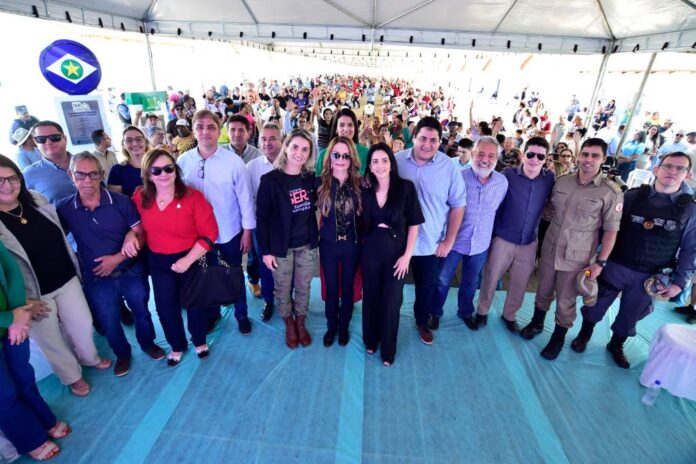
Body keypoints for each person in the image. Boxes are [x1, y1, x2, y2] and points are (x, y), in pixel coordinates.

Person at [572, 152, 696, 368]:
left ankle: (616, 345)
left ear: (688, 175)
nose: (673, 172)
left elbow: (690, 249)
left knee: (631, 315)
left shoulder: (690, 210)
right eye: (668, 166)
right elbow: (607, 229)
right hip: (616, 265)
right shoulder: (631, 196)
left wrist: (679, 282)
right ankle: (584, 335)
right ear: (656, 169)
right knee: (595, 304)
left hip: (651, 275)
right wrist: (597, 260)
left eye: (680, 168)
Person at [0, 155, 110, 395]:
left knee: (82, 325)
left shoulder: (37, 200)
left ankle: (89, 358)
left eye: (11, 178)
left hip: (66, 278)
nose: (7, 185)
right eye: (0, 180)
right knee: (51, 340)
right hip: (33, 294)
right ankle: (71, 377)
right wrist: (23, 302)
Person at [58, 152, 165, 377]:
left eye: (93, 174)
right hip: (97, 278)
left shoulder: (121, 202)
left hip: (130, 271)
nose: (87, 180)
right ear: (71, 175)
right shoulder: (65, 208)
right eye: (80, 175)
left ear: (102, 175)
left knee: (142, 313)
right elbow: (55, 240)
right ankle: (122, 355)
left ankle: (148, 344)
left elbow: (141, 234)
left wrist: (117, 257)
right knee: (109, 321)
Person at [521, 138, 624, 360]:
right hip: (550, 248)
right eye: (585, 154)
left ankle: (558, 338)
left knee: (566, 299)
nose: (588, 159)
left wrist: (600, 262)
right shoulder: (562, 182)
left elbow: (611, 231)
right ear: (579, 155)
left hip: (577, 257)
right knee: (542, 290)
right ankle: (537, 322)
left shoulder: (610, 192)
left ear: (603, 159)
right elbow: (549, 209)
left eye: (595, 156)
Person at [132, 149, 219, 366]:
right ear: (148, 174)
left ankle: (199, 341)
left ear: (176, 170)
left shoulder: (192, 197)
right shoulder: (139, 198)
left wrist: (187, 260)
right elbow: (133, 225)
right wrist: (128, 237)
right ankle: (177, 345)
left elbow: (210, 234)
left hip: (190, 258)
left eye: (169, 168)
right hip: (159, 262)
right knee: (165, 306)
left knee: (195, 304)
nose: (164, 174)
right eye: (156, 170)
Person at [177, 110, 256, 335]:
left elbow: (245, 199)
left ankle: (241, 314)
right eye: (200, 127)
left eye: (211, 127)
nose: (205, 132)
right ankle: (213, 315)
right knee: (205, 276)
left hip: (229, 232)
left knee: (234, 275)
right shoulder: (183, 161)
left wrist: (247, 231)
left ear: (219, 130)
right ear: (194, 131)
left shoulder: (233, 162)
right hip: (198, 237)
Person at [395, 117, 466, 344]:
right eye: (422, 138)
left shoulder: (449, 167)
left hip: (431, 244)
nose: (427, 144)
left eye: (433, 140)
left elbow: (458, 205)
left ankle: (422, 322)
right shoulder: (396, 161)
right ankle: (388, 321)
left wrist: (449, 241)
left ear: (440, 141)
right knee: (393, 287)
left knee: (426, 288)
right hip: (398, 242)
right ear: (413, 137)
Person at [476, 137, 555, 332]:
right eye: (530, 154)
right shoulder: (507, 175)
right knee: (491, 276)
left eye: (540, 156)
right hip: (503, 238)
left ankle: (509, 315)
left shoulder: (549, 179)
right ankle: (482, 312)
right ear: (522, 154)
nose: (534, 159)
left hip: (529, 241)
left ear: (546, 159)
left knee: (520, 282)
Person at [0, 241, 70, 461]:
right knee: (4, 395)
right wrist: (11, 318)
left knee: (24, 377)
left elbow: (10, 269)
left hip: (13, 323)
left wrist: (18, 313)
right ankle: (31, 439)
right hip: (9, 320)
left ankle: (45, 420)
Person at [431, 136, 508, 330]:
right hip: (454, 242)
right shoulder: (458, 177)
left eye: (491, 155)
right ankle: (435, 313)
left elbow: (497, 211)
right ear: (473, 154)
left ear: (497, 158)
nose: (485, 159)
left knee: (471, 282)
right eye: (481, 153)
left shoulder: (502, 183)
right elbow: (445, 209)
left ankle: (465, 312)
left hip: (480, 245)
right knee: (442, 280)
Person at [361, 143, 423, 366]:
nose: (380, 165)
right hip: (370, 250)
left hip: (396, 251)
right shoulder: (365, 189)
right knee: (371, 297)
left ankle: (388, 349)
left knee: (392, 300)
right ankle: (371, 338)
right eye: (375, 161)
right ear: (369, 165)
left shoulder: (405, 188)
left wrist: (407, 256)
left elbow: (414, 224)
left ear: (391, 163)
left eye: (384, 160)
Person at [256, 129, 318, 349]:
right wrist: (265, 251)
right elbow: (262, 219)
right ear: (286, 148)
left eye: (304, 149)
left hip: (307, 244)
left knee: (304, 286)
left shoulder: (310, 179)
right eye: (295, 147)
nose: (299, 153)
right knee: (282, 288)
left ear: (310, 153)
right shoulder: (270, 181)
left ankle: (300, 321)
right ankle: (288, 322)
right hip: (280, 247)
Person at [317, 136, 362, 347]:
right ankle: (331, 327)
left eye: (346, 155)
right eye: (337, 155)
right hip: (328, 245)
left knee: (348, 286)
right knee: (332, 287)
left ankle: (343, 327)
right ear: (330, 157)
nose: (341, 159)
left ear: (352, 158)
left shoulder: (361, 184)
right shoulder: (320, 183)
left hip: (352, 245)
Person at [247, 123, 282, 320]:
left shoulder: (292, 164)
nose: (267, 143)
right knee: (265, 264)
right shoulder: (252, 167)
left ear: (281, 140)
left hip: (288, 229)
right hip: (263, 228)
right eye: (263, 139)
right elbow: (247, 199)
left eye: (272, 138)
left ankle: (288, 298)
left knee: (288, 265)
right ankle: (269, 300)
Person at [23, 121, 76, 206]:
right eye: (41, 139)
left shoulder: (87, 162)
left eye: (54, 137)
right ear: (36, 142)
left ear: (65, 139)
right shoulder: (28, 175)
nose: (48, 142)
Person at [315, 108, 369, 175]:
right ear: (336, 129)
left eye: (350, 125)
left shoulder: (366, 153)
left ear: (355, 128)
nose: (346, 129)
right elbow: (317, 183)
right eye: (341, 125)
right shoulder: (323, 155)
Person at [108, 126, 149, 198]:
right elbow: (116, 201)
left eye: (138, 139)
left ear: (145, 142)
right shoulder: (117, 170)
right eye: (129, 140)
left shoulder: (158, 166)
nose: (134, 143)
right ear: (123, 145)